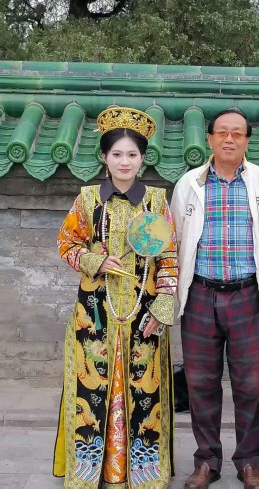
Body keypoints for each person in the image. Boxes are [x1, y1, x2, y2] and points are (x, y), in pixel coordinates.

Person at [53, 106, 178, 489]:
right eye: (117, 154)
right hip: (95, 312)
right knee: (91, 389)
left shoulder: (156, 201)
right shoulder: (88, 199)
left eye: (132, 154)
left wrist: (163, 305)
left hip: (144, 310)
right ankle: (91, 470)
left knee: (144, 389)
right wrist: (94, 260)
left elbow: (169, 255)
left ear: (143, 158)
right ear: (105, 157)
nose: (125, 162)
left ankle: (143, 471)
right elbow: (66, 243)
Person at [171, 108, 259, 489]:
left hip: (248, 296)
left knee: (250, 385)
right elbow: (177, 240)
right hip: (200, 295)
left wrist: (256, 277)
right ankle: (207, 461)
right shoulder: (188, 184)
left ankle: (250, 462)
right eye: (222, 132)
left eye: (238, 133)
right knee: (201, 383)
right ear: (209, 139)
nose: (230, 139)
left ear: (248, 140)